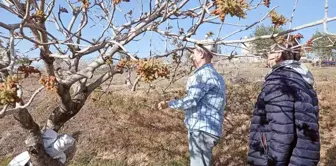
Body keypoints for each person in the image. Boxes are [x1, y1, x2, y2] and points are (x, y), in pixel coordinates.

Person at [247, 42, 320, 166]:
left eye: (269, 52)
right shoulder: (300, 79)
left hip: (284, 159)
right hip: (301, 157)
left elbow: (282, 133)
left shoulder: (278, 81)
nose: (267, 57)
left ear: (278, 54)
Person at [157, 44, 226, 166]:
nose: (191, 56)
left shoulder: (202, 75)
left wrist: (168, 104)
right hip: (208, 129)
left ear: (201, 54)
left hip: (201, 130)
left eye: (193, 53)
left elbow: (191, 100)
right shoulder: (215, 75)